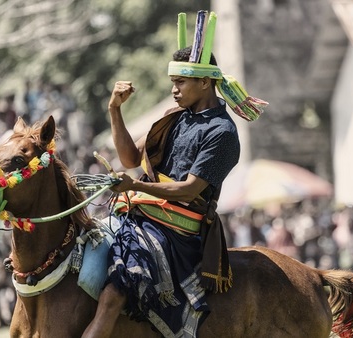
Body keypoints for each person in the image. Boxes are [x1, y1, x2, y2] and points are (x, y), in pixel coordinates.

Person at [82, 10, 267, 338]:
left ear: (204, 81)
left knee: (114, 292)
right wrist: (114, 110)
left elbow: (189, 190)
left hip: (181, 231)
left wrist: (135, 185)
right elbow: (128, 157)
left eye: (181, 82)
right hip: (142, 216)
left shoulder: (222, 132)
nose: (175, 90)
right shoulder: (174, 117)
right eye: (173, 83)